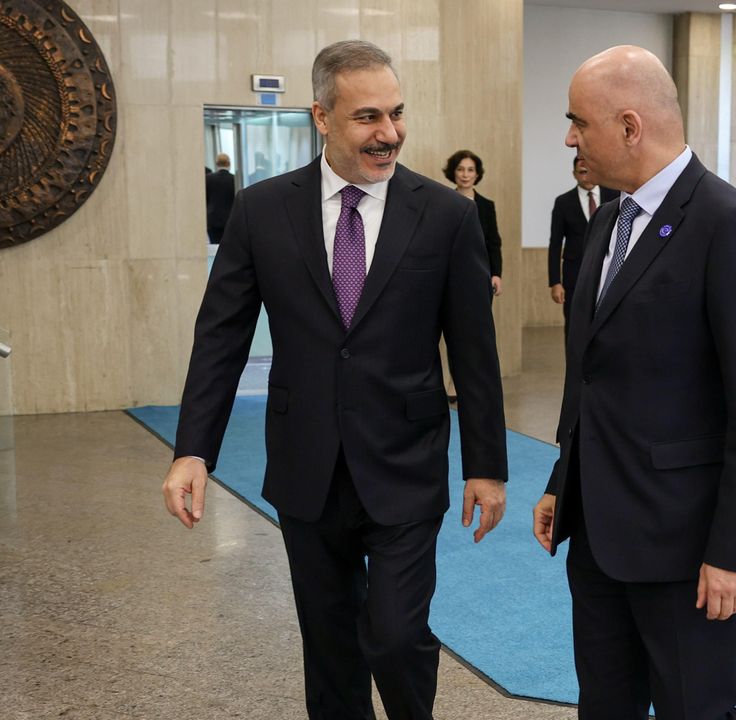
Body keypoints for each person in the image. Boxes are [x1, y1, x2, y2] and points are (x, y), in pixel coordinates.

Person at [161, 40, 508, 719]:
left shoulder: (446, 215)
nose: (390, 133)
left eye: (397, 113)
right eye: (367, 117)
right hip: (306, 463)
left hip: (405, 461)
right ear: (321, 117)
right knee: (329, 646)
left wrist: (486, 466)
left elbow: (475, 351)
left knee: (396, 636)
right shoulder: (261, 210)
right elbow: (221, 338)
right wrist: (192, 450)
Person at [531, 46, 736, 719]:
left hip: (687, 548)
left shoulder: (729, 224)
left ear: (629, 126)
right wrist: (564, 480)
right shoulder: (606, 222)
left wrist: (735, 551)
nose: (569, 138)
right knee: (604, 705)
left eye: (578, 122)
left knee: (692, 708)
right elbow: (592, 374)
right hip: (599, 534)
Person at [546, 156, 617, 336]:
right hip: (574, 275)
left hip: (608, 271)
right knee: (574, 326)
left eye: (590, 170)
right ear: (575, 174)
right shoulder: (563, 202)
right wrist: (555, 282)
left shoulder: (614, 196)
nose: (587, 176)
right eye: (583, 172)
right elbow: (555, 243)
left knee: (607, 327)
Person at [443, 149, 502, 296]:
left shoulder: (487, 206)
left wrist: (496, 274)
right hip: (449, 274)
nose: (465, 175)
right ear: (453, 172)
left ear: (477, 174)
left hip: (480, 274)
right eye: (460, 169)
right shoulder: (443, 203)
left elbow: (493, 243)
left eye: (470, 170)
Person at [205, 153, 236, 244]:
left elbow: (206, 199)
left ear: (216, 163)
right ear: (229, 163)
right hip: (230, 218)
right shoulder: (234, 179)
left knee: (215, 245)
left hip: (212, 219)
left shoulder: (208, 178)